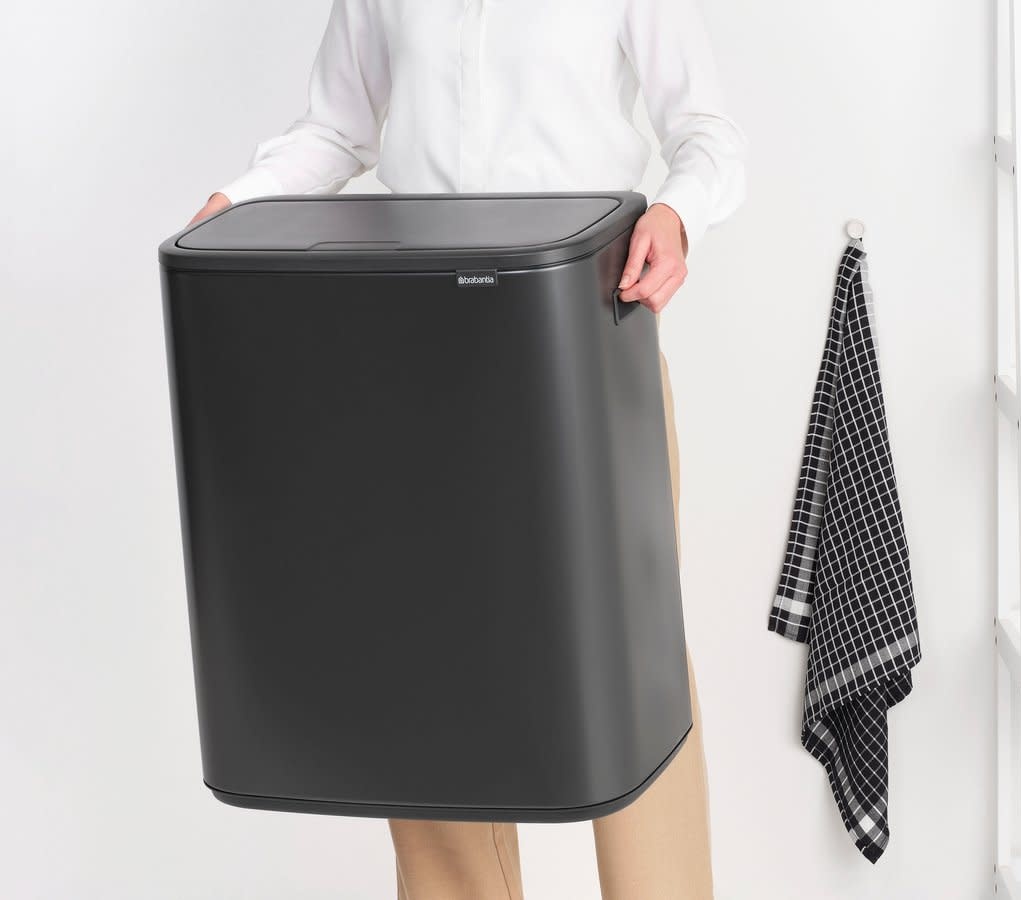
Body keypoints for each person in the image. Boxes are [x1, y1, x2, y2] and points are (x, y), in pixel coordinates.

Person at [190, 2, 745, 897]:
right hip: (421, 361)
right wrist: (240, 198)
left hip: (584, 347)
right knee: (426, 660)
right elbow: (337, 128)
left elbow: (706, 132)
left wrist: (679, 214)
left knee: (630, 667)